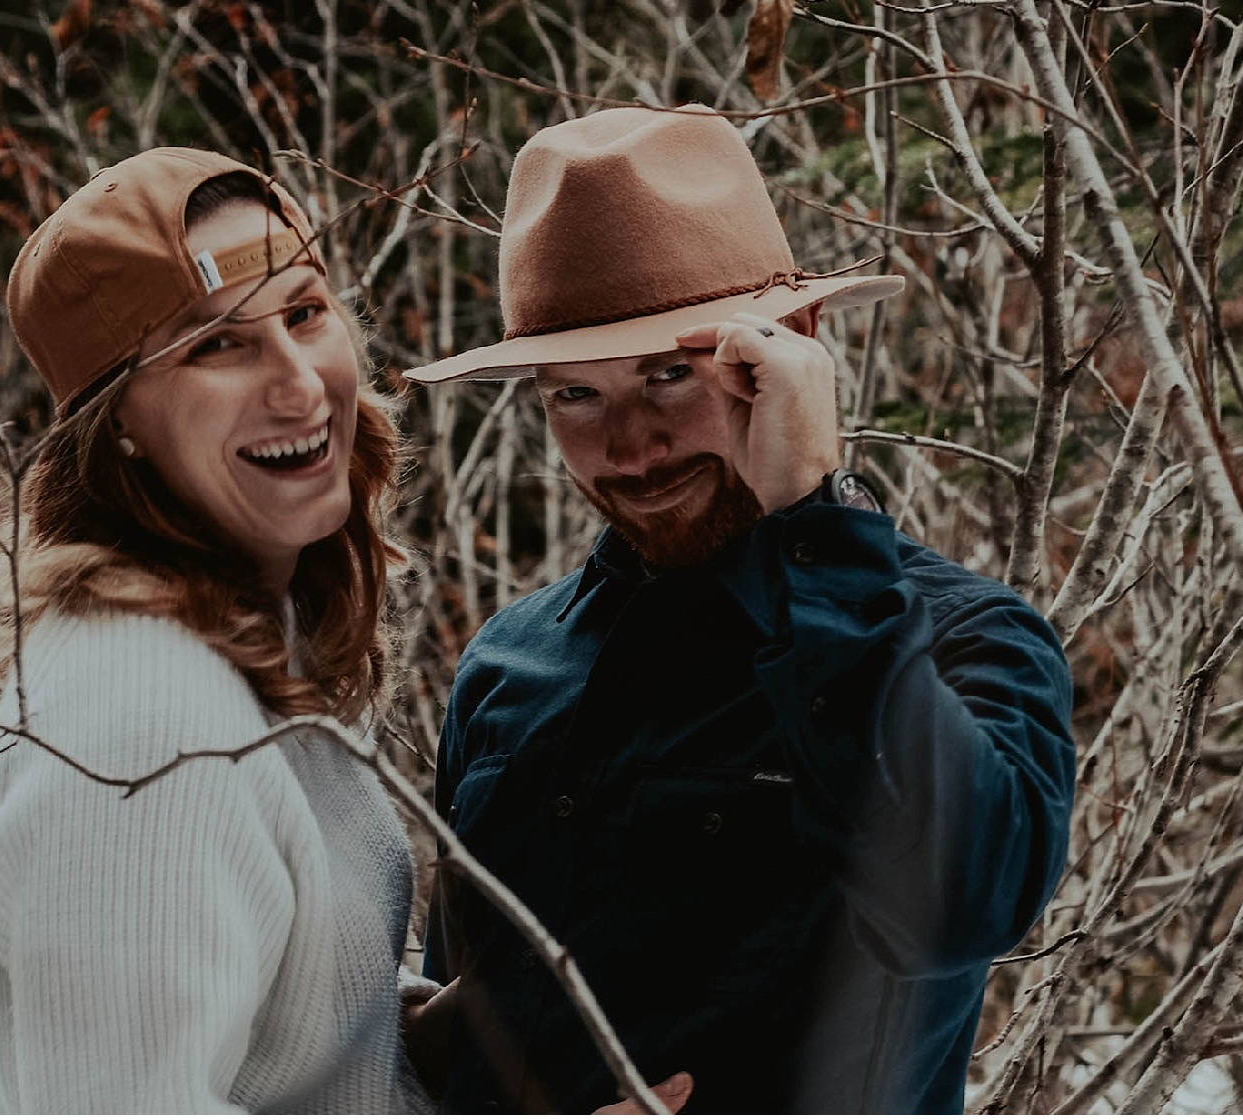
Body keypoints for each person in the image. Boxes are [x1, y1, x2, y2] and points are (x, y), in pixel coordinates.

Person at [404, 105, 1077, 1113]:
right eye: (572, 398)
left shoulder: (959, 637)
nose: (629, 446)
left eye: (668, 374)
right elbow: (468, 1023)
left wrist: (813, 511)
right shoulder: (508, 660)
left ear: (790, 347)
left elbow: (964, 902)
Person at [0, 147, 432, 1113]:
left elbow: (304, 1056)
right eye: (218, 344)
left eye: (304, 312)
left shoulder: (249, 633)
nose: (298, 383)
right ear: (116, 421)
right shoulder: (145, 718)